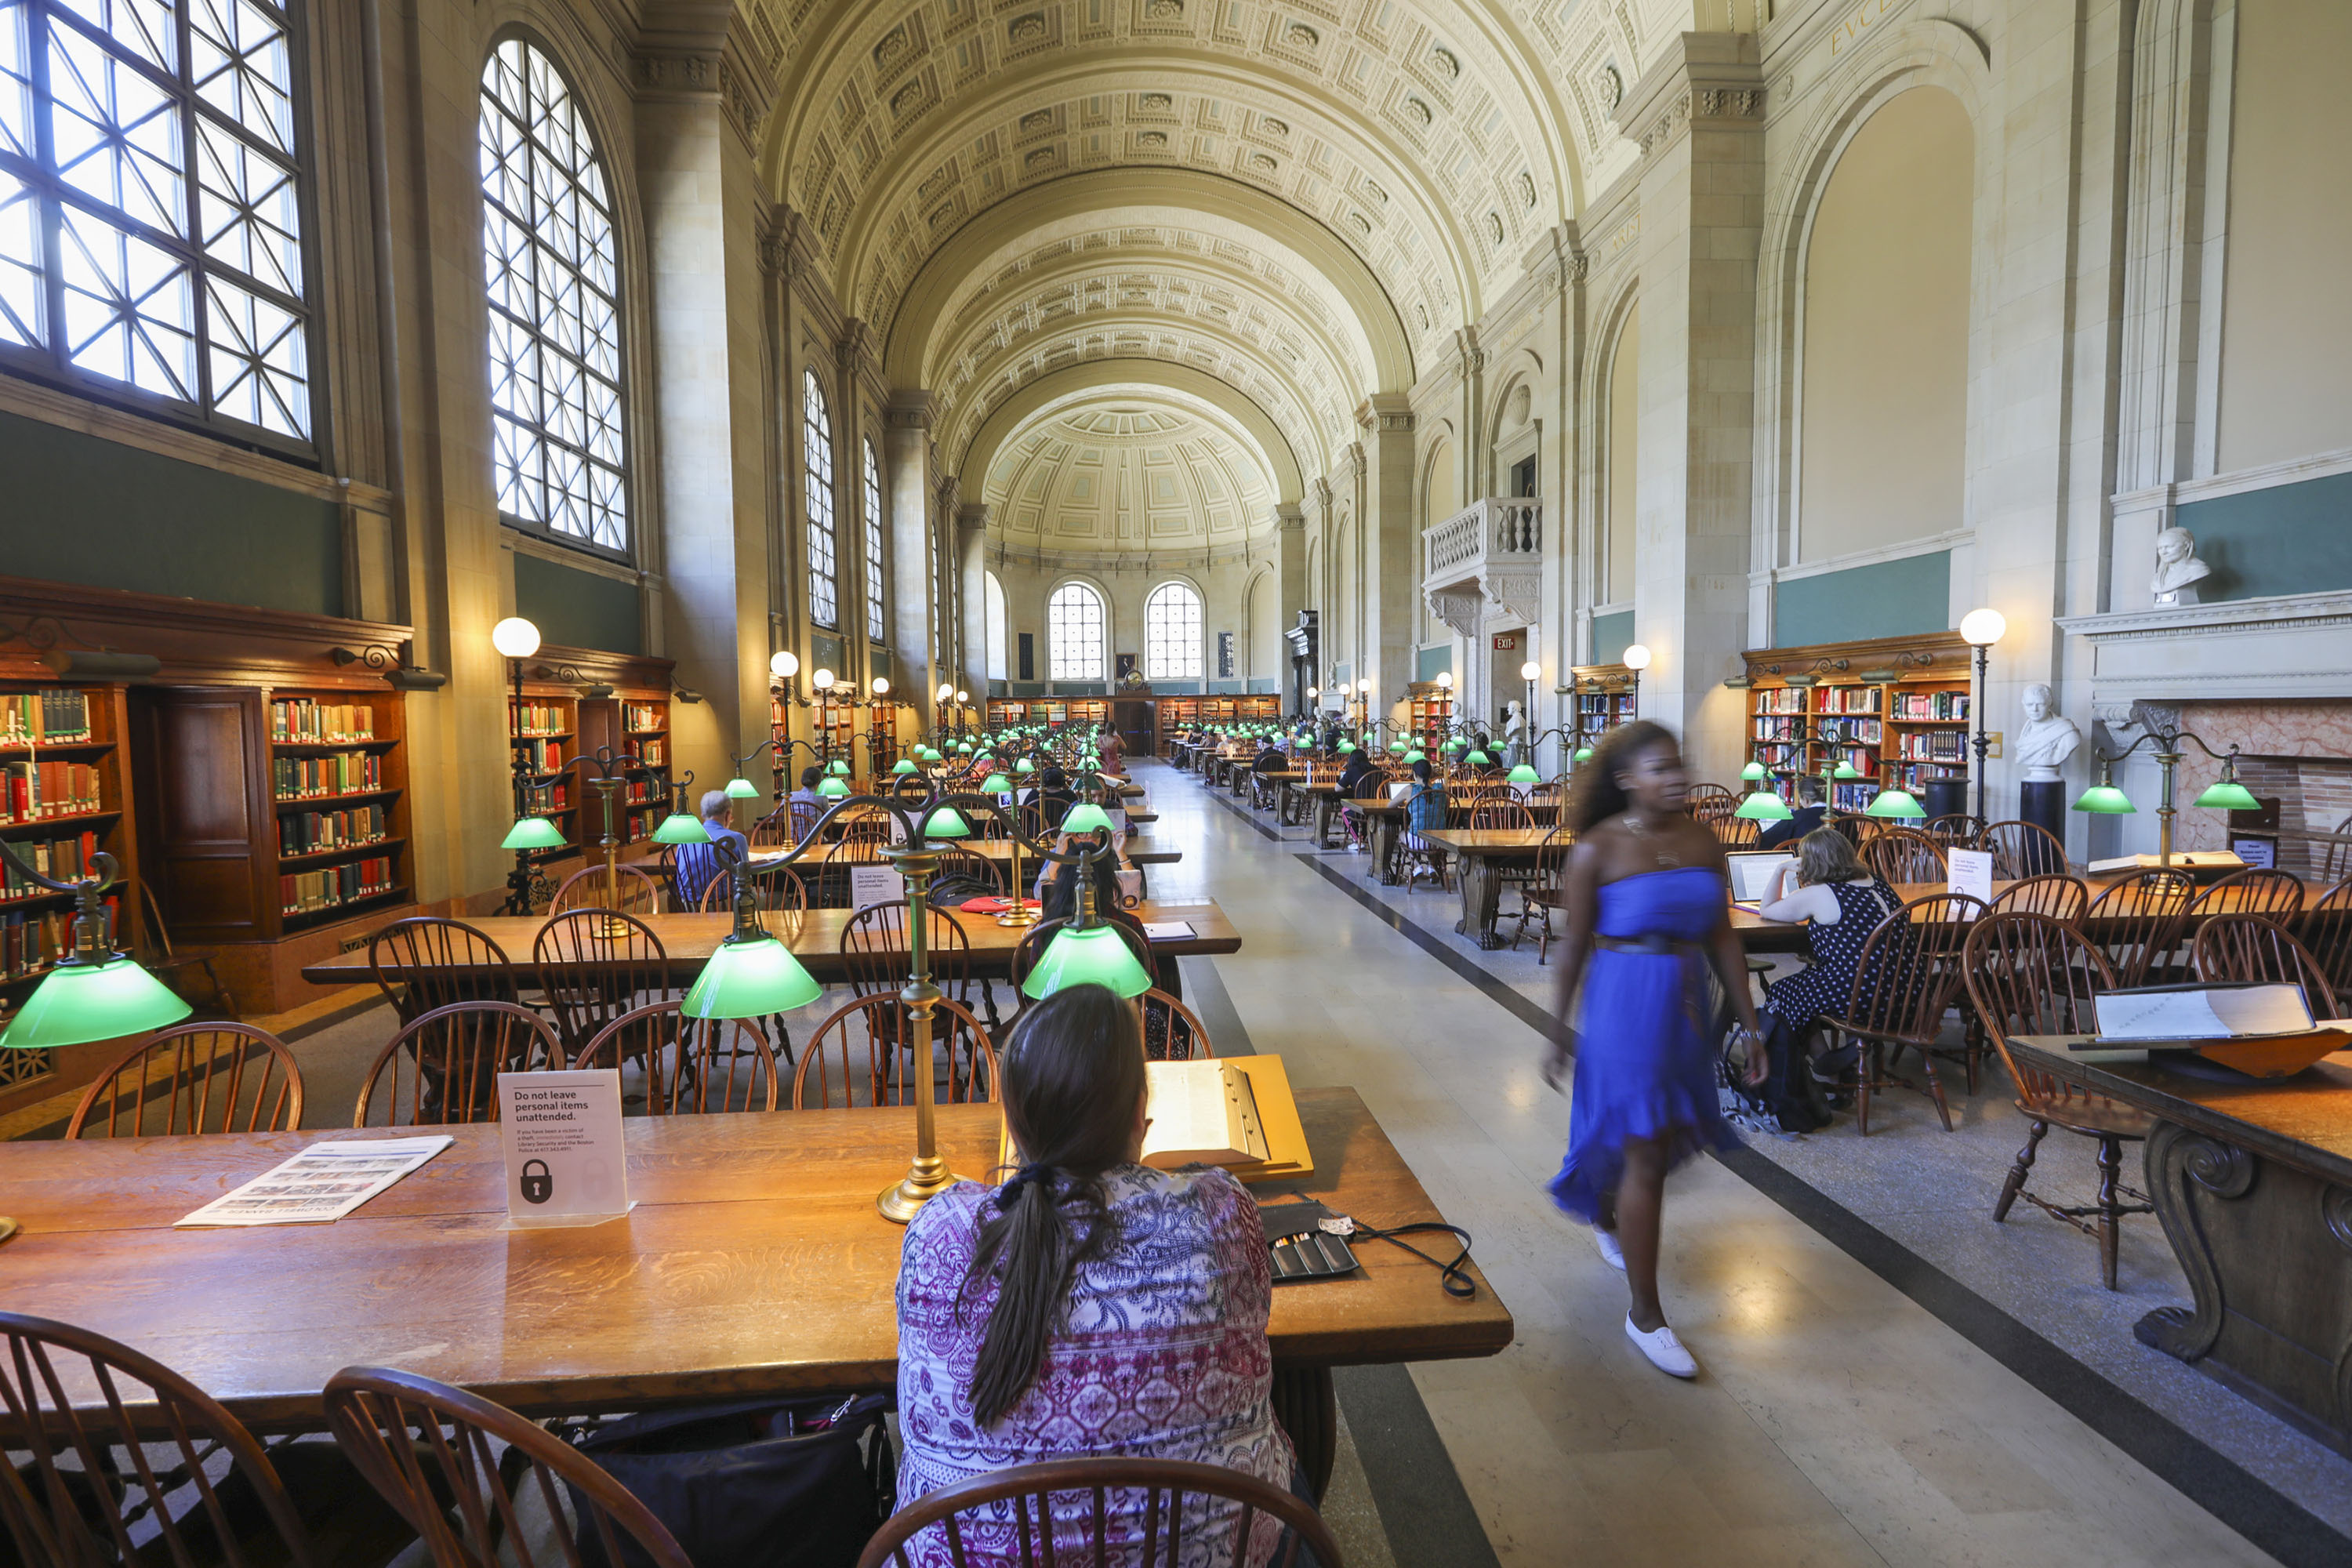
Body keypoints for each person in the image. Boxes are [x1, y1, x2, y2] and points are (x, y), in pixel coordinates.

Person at [895, 986, 1305, 1567]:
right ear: (1141, 1113)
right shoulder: (1223, 1212)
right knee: (1296, 1423)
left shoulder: (939, 1232)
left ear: (1012, 1120)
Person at [1542, 720, 1766, 1379]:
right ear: (1627, 780)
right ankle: (1646, 1314)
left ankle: (1607, 1212)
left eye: (1680, 766)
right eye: (1661, 769)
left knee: (1659, 1137)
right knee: (1643, 1147)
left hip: (1687, 1006)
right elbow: (1574, 947)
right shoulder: (1599, 849)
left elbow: (1723, 937)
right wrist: (1558, 1032)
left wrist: (1750, 1025)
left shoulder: (1702, 840)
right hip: (1623, 1005)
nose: (1677, 778)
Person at [1752, 828, 1910, 1044]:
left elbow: (1767, 908)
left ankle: (1824, 1065)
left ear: (1812, 863)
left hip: (1862, 997)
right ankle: (1847, 1053)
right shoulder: (1878, 882)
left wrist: (1780, 869)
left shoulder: (1821, 893)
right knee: (1810, 980)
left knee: (1783, 991)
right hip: (1908, 994)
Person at [671, 789, 752, 909]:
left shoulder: (685, 840)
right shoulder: (737, 838)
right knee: (771, 898)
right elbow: (746, 877)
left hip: (691, 906)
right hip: (726, 905)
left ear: (703, 814)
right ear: (728, 815)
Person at [1755, 775, 1826, 851]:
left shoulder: (1799, 816)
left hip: (1804, 861)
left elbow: (1763, 840)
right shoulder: (1839, 816)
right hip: (1835, 862)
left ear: (1805, 799)